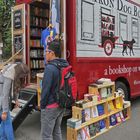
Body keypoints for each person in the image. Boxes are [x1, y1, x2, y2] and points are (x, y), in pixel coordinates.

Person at [40, 40, 69, 140]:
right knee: (57, 131)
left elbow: (45, 90)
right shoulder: (65, 65)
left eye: (46, 51)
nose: (45, 53)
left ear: (52, 53)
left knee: (46, 135)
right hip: (61, 103)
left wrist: (42, 106)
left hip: (50, 106)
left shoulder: (50, 68)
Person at [0, 62, 29, 140]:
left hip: (3, 101)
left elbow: (14, 89)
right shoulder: (8, 76)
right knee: (7, 123)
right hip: (2, 101)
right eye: (23, 75)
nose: (24, 77)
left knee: (3, 123)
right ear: (20, 73)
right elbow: (5, 95)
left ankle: (2, 138)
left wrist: (16, 100)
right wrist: (5, 111)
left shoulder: (13, 71)